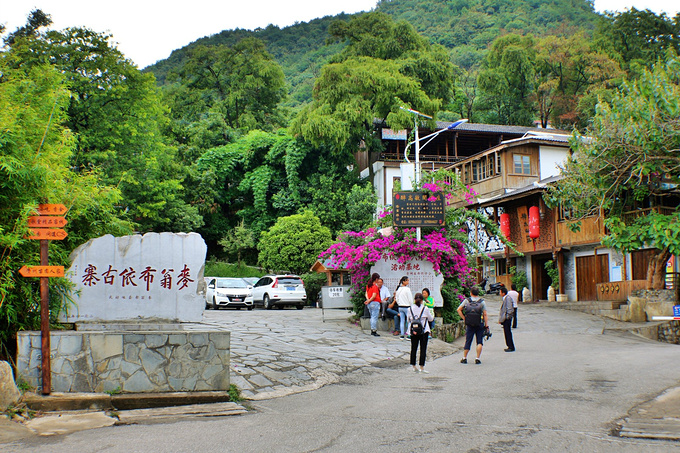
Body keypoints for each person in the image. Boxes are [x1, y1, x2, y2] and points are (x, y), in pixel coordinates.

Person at [457, 287, 488, 364]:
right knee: (479, 341)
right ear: (478, 293)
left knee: (468, 340)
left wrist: (464, 318)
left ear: (471, 293)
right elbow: (485, 314)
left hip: (470, 324)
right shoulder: (482, 302)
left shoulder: (467, 301)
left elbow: (459, 309)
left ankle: (464, 358)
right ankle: (477, 358)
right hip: (479, 323)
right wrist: (486, 325)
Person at [407, 292, 434, 373]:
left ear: (414, 300)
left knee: (413, 348)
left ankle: (413, 366)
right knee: (423, 349)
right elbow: (431, 319)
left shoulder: (410, 309)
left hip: (413, 331)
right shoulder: (425, 309)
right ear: (422, 300)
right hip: (424, 331)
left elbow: (408, 320)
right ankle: (422, 367)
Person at [499, 286, 515, 352]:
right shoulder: (505, 298)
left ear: (503, 293)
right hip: (505, 317)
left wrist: (507, 317)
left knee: (508, 332)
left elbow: (509, 308)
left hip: (507, 318)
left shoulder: (507, 298)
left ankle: (510, 346)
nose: (499, 293)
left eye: (500, 292)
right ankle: (509, 345)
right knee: (506, 332)